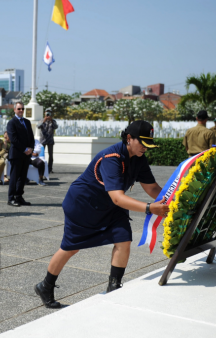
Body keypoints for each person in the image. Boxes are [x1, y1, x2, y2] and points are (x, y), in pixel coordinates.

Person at [34, 120, 169, 308]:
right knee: (71, 247)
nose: (146, 148)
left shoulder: (139, 158)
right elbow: (117, 198)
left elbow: (152, 187)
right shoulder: (111, 158)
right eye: (143, 143)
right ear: (129, 138)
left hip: (109, 207)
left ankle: (114, 289)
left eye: (149, 144)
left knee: (123, 239)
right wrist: (149, 208)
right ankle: (45, 286)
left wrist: (171, 202)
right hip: (83, 205)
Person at [6, 102, 35, 207]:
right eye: (19, 109)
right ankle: (11, 198)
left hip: (26, 155)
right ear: (14, 110)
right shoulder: (11, 123)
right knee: (14, 177)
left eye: (22, 108)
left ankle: (19, 196)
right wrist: (24, 149)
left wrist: (31, 148)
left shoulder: (27, 122)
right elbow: (13, 139)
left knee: (22, 177)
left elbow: (31, 137)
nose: (21, 110)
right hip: (17, 154)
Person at [37, 108, 58, 174]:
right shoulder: (41, 120)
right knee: (41, 155)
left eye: (49, 112)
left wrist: (51, 120)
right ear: (44, 113)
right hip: (43, 140)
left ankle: (50, 169)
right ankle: (41, 168)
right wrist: (44, 120)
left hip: (50, 140)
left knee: (50, 155)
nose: (48, 114)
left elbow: (56, 127)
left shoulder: (53, 121)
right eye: (47, 112)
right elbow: (38, 126)